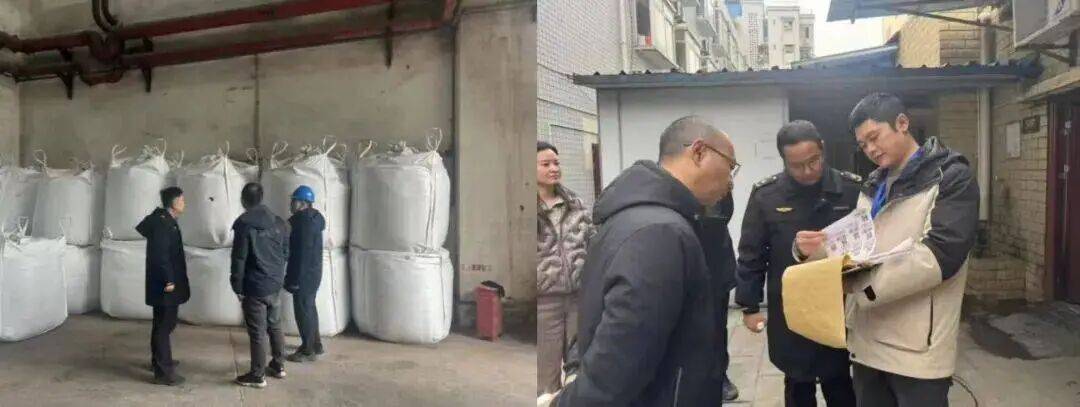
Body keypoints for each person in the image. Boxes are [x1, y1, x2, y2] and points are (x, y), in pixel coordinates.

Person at [797, 93, 978, 407]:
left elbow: (940, 255)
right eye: (863, 144)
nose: (870, 149)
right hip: (867, 342)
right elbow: (858, 246)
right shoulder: (874, 183)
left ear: (902, 123)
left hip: (915, 350)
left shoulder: (950, 177)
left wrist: (861, 285)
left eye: (874, 137)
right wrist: (813, 252)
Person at [553, 115, 738, 406]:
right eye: (730, 166)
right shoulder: (660, 232)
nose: (730, 180)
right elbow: (619, 360)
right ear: (699, 152)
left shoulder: (642, 216)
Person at [735, 120, 860, 407]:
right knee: (797, 382)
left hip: (837, 304)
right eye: (797, 165)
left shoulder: (850, 189)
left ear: (822, 149)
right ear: (784, 160)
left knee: (840, 382)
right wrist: (749, 306)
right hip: (791, 307)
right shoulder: (767, 196)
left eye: (813, 161)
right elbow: (752, 252)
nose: (807, 171)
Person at [536, 141, 594, 397]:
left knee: (580, 368)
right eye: (546, 164)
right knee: (545, 376)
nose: (553, 168)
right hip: (543, 305)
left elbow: (592, 241)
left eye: (556, 163)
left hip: (578, 300)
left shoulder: (575, 204)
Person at [231, 182, 291, 388]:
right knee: (275, 325)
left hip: (255, 285)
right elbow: (285, 253)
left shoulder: (244, 224)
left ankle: (257, 375)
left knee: (257, 332)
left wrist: (237, 285)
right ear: (262, 197)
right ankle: (279, 365)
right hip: (275, 283)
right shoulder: (279, 223)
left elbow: (239, 258)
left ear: (243, 200)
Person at [136, 186, 191, 386]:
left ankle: (158, 361)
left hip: (166, 281)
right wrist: (169, 280)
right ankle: (163, 371)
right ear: (174, 203)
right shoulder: (162, 224)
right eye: (182, 200)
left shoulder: (166, 221)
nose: (184, 203)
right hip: (165, 284)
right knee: (164, 325)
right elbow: (160, 256)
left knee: (163, 322)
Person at [700, 191, 741, 402]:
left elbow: (722, 215)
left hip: (716, 264)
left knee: (717, 328)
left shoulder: (716, 184)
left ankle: (719, 377)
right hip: (682, 265)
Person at [284, 185, 327, 363]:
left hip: (303, 274)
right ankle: (316, 344)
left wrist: (294, 279)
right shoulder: (314, 219)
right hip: (313, 272)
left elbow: (301, 254)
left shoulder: (302, 223)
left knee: (303, 311)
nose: (291, 204)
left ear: (303, 203)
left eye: (294, 201)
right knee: (309, 308)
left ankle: (307, 350)